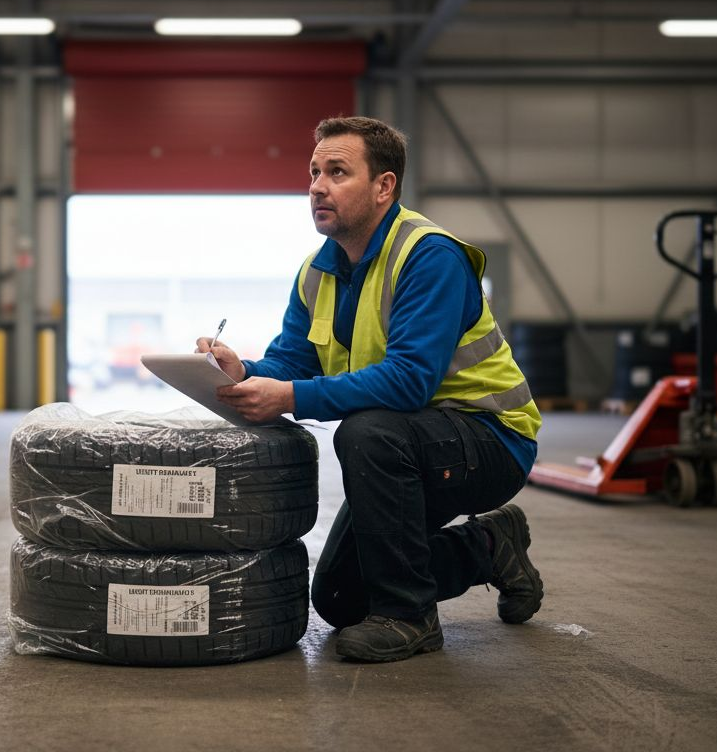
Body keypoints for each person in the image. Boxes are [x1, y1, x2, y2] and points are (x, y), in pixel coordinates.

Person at [194, 116, 544, 663]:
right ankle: (489, 547)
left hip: (490, 438)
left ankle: (409, 617)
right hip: (413, 441)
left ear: (384, 186)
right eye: (314, 172)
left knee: (367, 432)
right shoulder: (317, 272)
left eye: (337, 172)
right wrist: (243, 371)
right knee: (341, 597)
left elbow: (410, 381)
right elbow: (293, 361)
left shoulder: (430, 256)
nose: (317, 187)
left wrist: (290, 398)